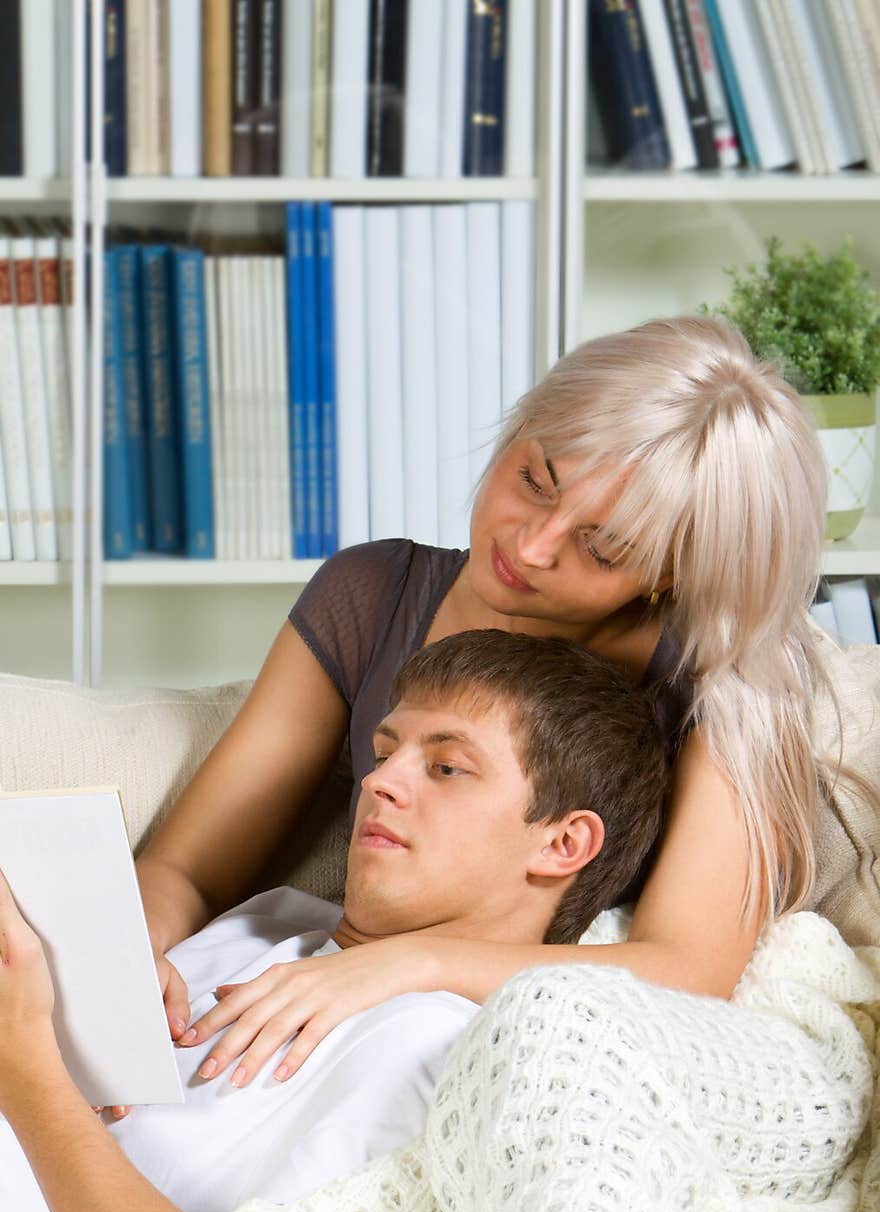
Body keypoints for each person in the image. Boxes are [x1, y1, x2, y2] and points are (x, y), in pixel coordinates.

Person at [129, 314, 850, 1125]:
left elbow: (686, 972)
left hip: (526, 1062)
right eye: (536, 479)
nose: (531, 546)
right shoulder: (372, 596)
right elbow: (188, 867)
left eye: (602, 548)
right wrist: (129, 956)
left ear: (670, 572)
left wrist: (400, 965)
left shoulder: (729, 686)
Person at [0, 629, 670, 1212]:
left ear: (563, 842)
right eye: (384, 752)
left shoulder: (440, 1051)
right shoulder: (276, 918)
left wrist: (26, 1068)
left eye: (446, 767)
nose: (379, 780)